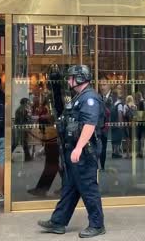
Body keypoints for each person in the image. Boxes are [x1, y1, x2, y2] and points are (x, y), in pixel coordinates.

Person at [38, 65, 106, 238]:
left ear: (80, 79)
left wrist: (78, 147)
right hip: (75, 151)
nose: (69, 80)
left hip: (84, 152)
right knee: (70, 188)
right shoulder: (80, 97)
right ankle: (58, 222)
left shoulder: (90, 98)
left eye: (71, 77)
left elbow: (89, 125)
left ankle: (97, 225)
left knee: (88, 188)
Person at [98, 81, 113, 170]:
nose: (102, 87)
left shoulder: (111, 98)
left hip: (104, 128)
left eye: (104, 85)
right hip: (100, 128)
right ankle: (101, 165)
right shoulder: (99, 98)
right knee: (100, 147)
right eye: (101, 85)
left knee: (102, 147)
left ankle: (102, 165)